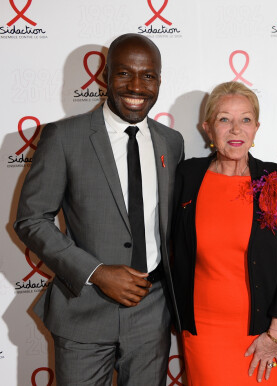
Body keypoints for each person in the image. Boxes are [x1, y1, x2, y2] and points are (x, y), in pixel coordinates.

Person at [14, 34, 184, 386]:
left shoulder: (172, 141)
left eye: (148, 75)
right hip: (83, 310)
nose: (136, 85)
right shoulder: (64, 137)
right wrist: (97, 272)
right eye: (124, 73)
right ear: (105, 77)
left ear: (159, 80)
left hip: (152, 313)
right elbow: (31, 219)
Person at [171, 81, 277, 385]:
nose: (236, 129)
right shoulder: (187, 176)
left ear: (256, 128)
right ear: (207, 128)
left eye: (245, 119)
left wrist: (276, 333)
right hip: (204, 332)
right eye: (224, 119)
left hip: (265, 334)